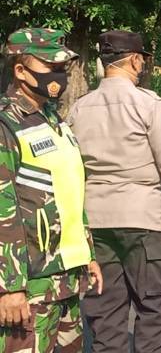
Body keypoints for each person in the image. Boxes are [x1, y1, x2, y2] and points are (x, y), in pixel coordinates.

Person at [68, 30, 161, 353]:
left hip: (96, 225)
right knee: (154, 312)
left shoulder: (79, 109)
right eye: (142, 59)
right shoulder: (149, 104)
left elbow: (71, 171)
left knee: (106, 317)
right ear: (134, 60)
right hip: (143, 222)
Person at [0, 28, 102, 353]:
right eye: (51, 67)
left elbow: (70, 192)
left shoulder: (52, 120)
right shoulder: (7, 125)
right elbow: (3, 211)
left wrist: (88, 254)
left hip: (66, 278)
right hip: (31, 285)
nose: (59, 76)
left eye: (62, 68)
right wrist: (9, 288)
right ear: (20, 71)